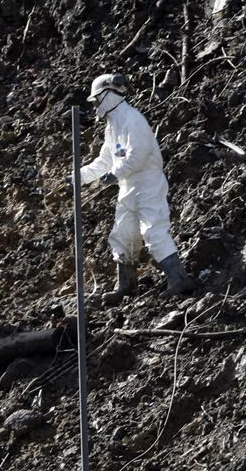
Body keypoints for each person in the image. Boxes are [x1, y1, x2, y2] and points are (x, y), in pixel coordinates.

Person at [75, 73, 193, 306]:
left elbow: (138, 154)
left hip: (147, 183)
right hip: (128, 186)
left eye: (97, 99)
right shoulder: (113, 126)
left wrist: (116, 173)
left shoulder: (133, 119)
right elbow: (104, 161)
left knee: (153, 231)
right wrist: (78, 177)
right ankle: (126, 285)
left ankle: (179, 279)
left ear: (108, 95)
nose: (97, 106)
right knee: (123, 234)